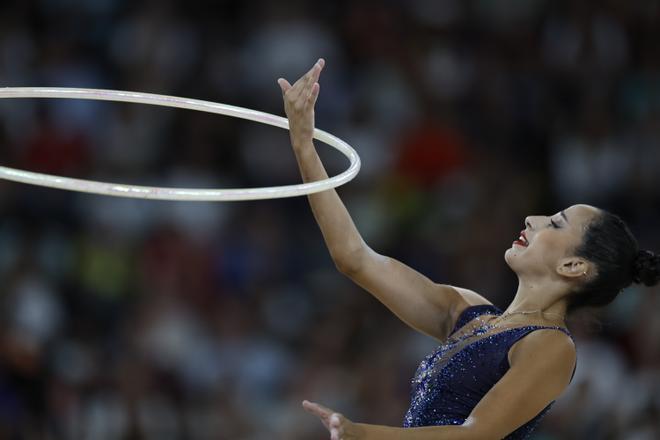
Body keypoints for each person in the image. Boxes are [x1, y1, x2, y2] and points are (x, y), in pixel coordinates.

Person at [277, 59, 660, 440]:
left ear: (575, 265)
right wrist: (303, 145)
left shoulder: (551, 345)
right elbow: (354, 257)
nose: (532, 218)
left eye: (555, 223)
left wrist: (360, 434)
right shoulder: (466, 312)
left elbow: (475, 436)